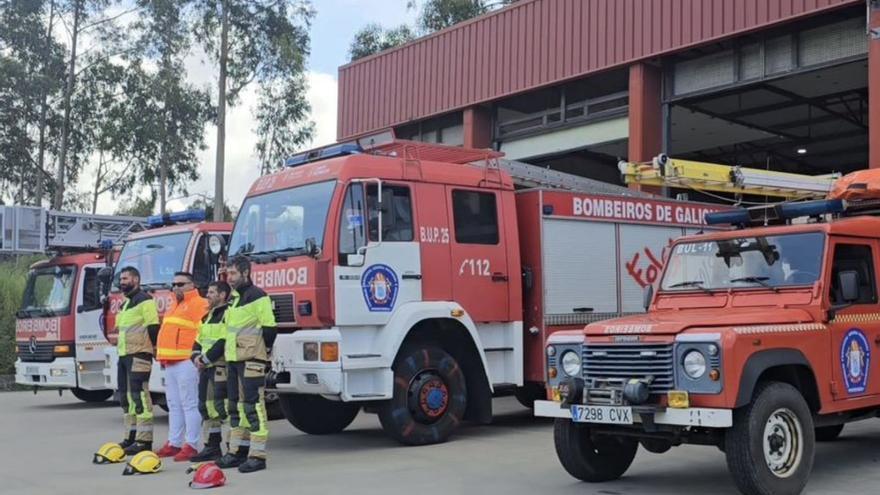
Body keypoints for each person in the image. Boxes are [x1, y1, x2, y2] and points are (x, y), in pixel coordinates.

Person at [216, 256, 277, 473]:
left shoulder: (257, 296)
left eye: (233, 274)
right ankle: (238, 452)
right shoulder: (233, 299)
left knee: (253, 406)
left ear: (245, 273)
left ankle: (257, 456)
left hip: (251, 359)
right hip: (233, 359)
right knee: (236, 406)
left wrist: (261, 352)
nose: (229, 278)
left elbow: (270, 329)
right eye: (227, 274)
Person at [155, 272, 208, 462]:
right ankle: (174, 443)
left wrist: (197, 356)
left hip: (187, 361)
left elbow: (204, 332)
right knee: (174, 405)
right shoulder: (173, 305)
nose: (175, 287)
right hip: (171, 361)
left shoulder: (199, 303)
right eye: (173, 284)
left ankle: (191, 444)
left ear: (192, 285)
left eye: (180, 284)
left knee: (189, 404)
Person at [115, 266, 160, 455]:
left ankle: (144, 441)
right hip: (125, 355)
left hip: (140, 354)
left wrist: (154, 349)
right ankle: (130, 437)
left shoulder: (145, 300)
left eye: (126, 278)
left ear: (136, 280)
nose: (122, 282)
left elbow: (153, 326)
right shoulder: (126, 303)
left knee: (140, 397)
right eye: (121, 279)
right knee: (126, 398)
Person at [190, 281, 232, 462]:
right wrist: (196, 357)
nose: (208, 295)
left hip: (219, 367)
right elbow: (198, 341)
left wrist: (205, 359)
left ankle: (233, 448)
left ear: (222, 295)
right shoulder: (207, 317)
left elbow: (224, 341)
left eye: (212, 292)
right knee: (206, 408)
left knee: (224, 408)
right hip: (205, 368)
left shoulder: (228, 314)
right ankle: (212, 447)